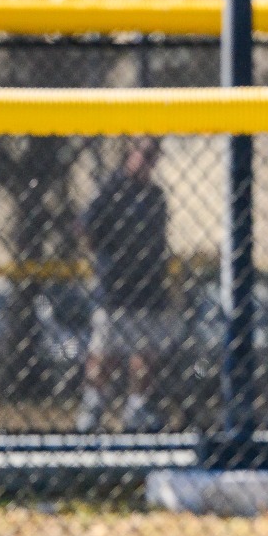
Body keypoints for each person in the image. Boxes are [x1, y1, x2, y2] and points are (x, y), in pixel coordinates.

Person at [76, 136, 177, 433]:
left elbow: (159, 243)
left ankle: (136, 408)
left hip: (148, 287)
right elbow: (86, 226)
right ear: (130, 153)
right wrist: (110, 255)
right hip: (115, 287)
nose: (148, 161)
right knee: (105, 351)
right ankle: (93, 407)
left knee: (145, 352)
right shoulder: (112, 189)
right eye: (144, 154)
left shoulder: (155, 196)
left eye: (153, 156)